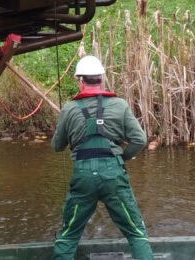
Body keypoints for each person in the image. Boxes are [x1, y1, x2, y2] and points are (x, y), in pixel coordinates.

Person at [51, 56, 153, 260]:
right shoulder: (120, 105)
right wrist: (121, 158)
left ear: (81, 82)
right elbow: (140, 140)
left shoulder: (69, 108)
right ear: (102, 80)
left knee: (69, 235)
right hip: (114, 174)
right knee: (136, 233)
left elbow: (56, 146)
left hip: (83, 176)